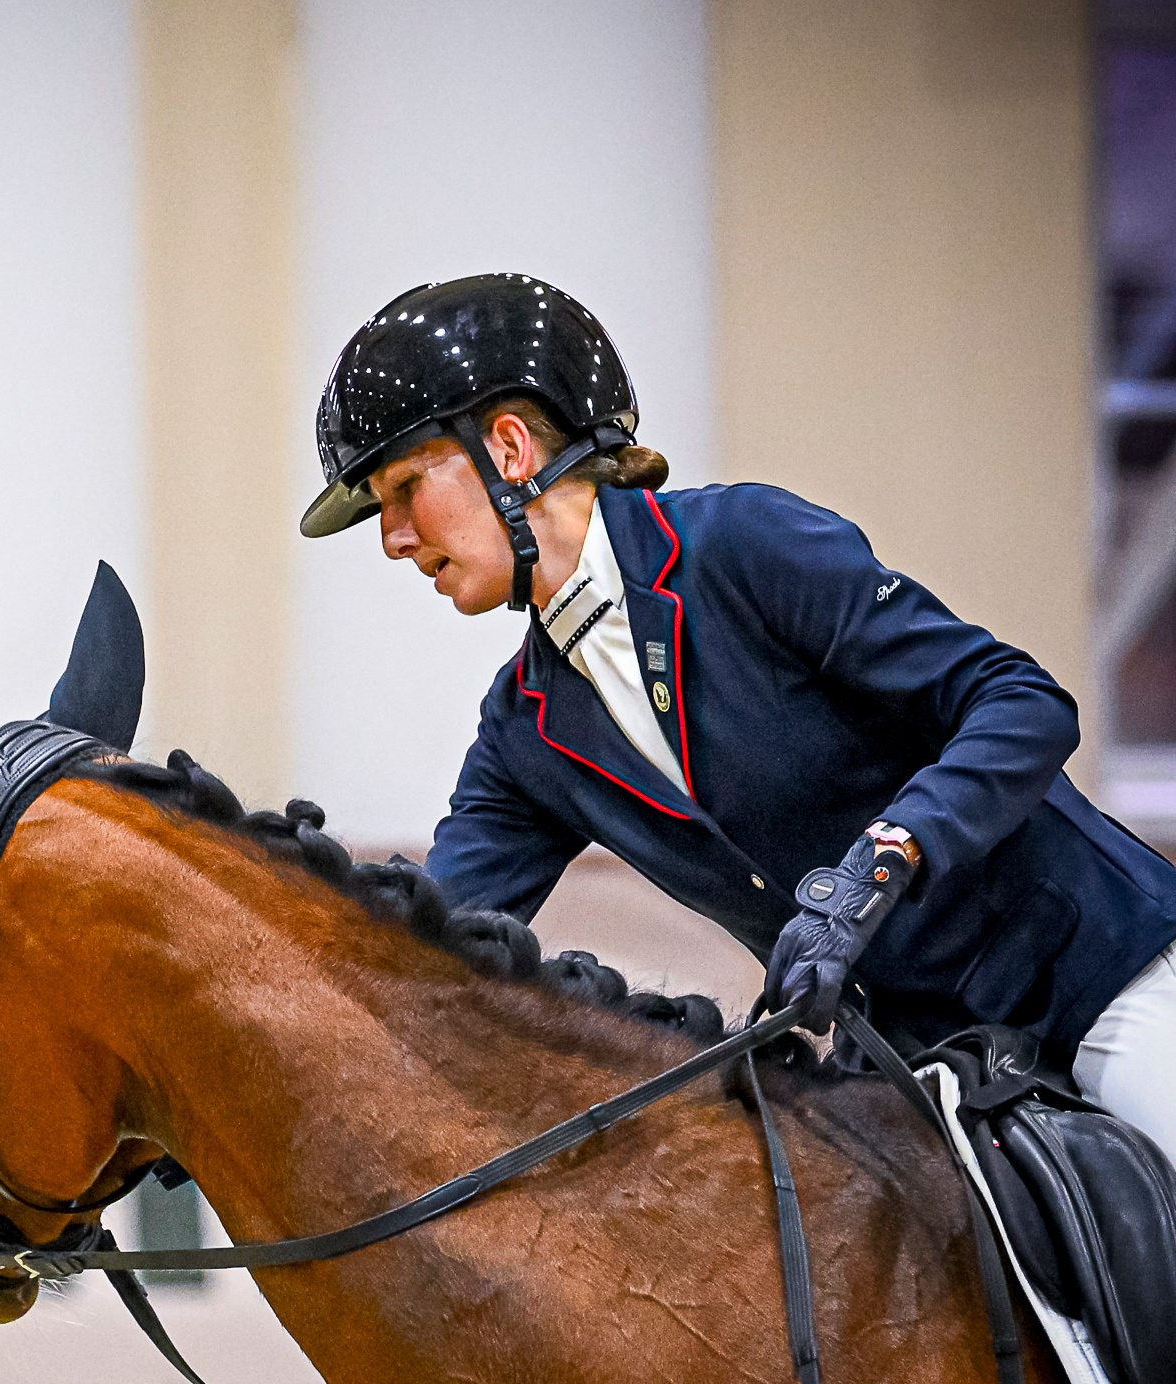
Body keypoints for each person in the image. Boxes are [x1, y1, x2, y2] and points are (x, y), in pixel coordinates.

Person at [302, 272, 1176, 1158]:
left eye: (405, 486)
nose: (392, 538)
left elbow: (1021, 702)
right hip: (928, 1072)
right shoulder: (524, 730)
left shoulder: (743, 547)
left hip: (1098, 979)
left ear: (511, 447)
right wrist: (250, 1059)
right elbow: (422, 953)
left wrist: (884, 857)